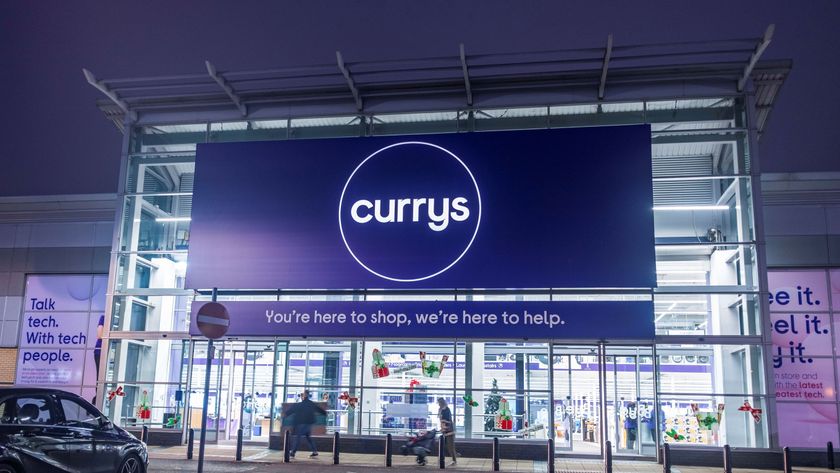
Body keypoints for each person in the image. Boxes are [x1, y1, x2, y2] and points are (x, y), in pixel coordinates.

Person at [286, 389, 326, 458]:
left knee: (298, 438)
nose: (302, 396)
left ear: (303, 396)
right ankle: (314, 451)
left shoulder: (300, 404)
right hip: (308, 424)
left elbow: (292, 410)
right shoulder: (311, 403)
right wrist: (324, 413)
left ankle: (293, 452)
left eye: (302, 395)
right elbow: (318, 409)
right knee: (308, 437)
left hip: (302, 423)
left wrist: (286, 414)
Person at [437, 397, 457, 466]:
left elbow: (449, 420)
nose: (438, 404)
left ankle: (454, 460)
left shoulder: (447, 410)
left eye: (439, 403)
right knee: (444, 446)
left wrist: (443, 421)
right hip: (444, 430)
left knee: (450, 446)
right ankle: (443, 459)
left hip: (449, 430)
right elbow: (440, 419)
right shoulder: (441, 410)